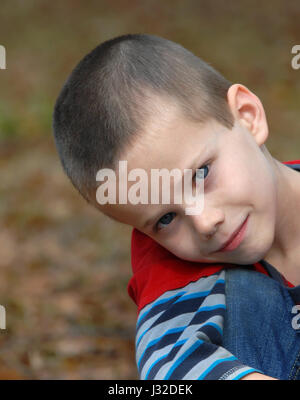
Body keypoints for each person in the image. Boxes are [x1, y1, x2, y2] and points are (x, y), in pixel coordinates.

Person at [52, 33, 300, 380]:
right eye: (166, 219)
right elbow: (173, 365)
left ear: (246, 116)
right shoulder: (177, 284)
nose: (205, 222)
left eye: (201, 173)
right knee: (240, 298)